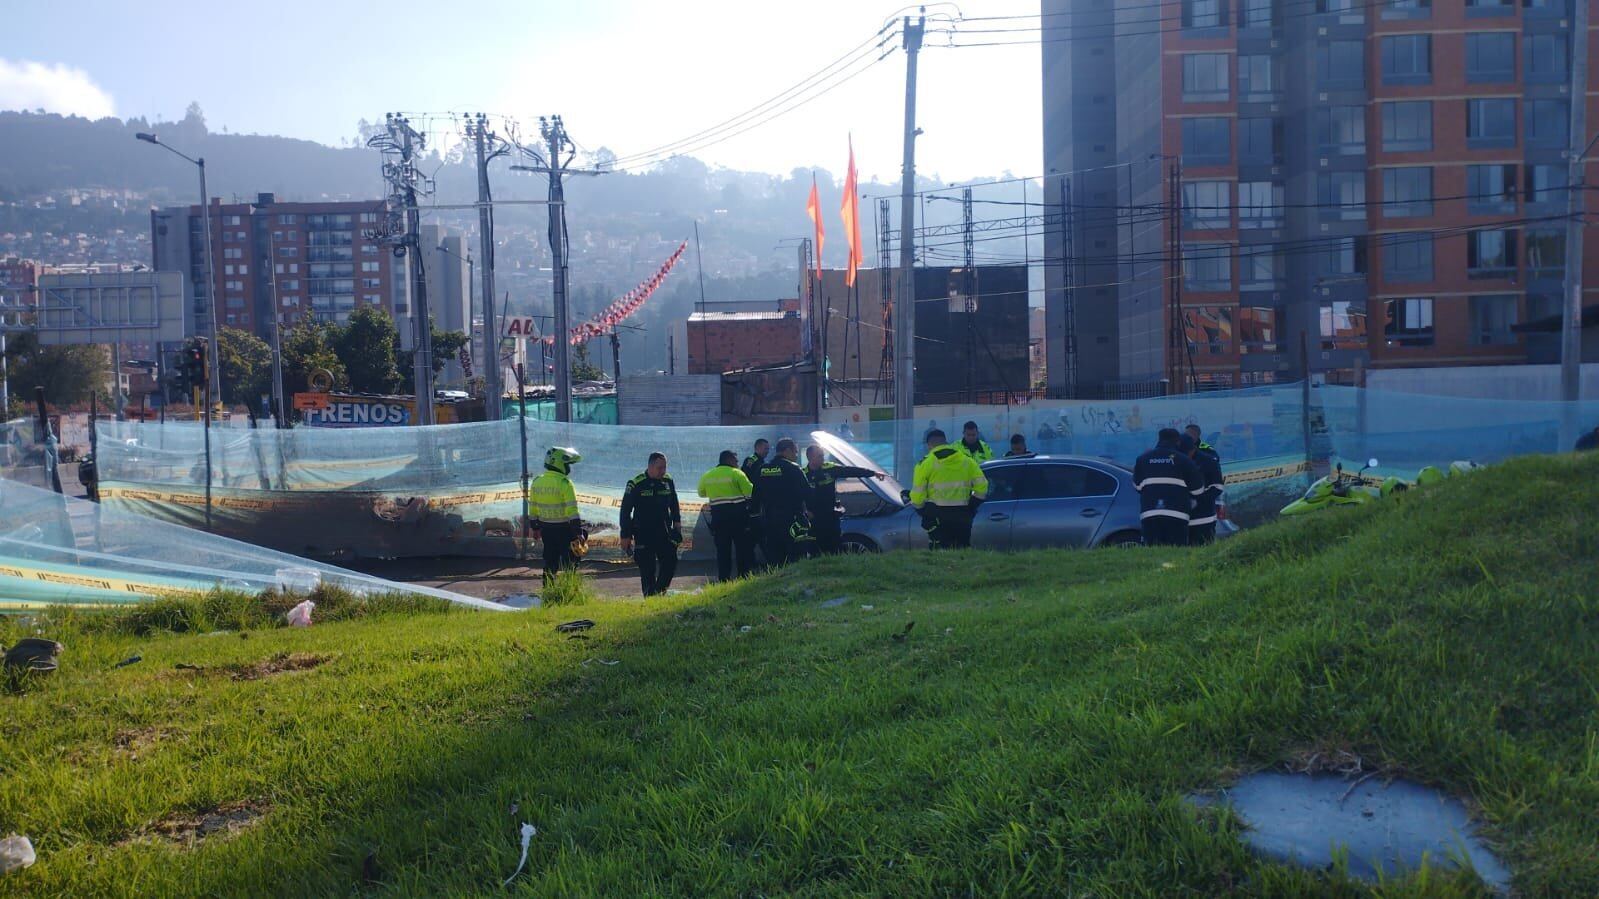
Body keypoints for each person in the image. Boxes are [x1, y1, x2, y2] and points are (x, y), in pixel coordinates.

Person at [910, 429, 989, 549]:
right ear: (945, 442)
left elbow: (917, 496)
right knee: (962, 551)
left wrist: (922, 511)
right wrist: (972, 505)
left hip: (938, 517)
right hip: (963, 515)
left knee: (940, 554)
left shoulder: (925, 464)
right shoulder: (967, 460)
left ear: (928, 445)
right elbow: (982, 486)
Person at [620, 452, 682, 597]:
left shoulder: (668, 480)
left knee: (670, 561)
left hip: (664, 532)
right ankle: (650, 598)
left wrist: (677, 524)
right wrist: (625, 535)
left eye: (665, 467)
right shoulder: (636, 483)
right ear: (650, 466)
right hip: (643, 533)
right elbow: (625, 511)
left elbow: (674, 503)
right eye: (660, 468)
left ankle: (658, 592)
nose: (663, 471)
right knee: (647, 569)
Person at [803, 444, 883, 555]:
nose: (823, 458)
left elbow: (850, 471)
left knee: (834, 547)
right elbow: (796, 496)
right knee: (814, 550)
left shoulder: (830, 468)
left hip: (830, 516)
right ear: (810, 457)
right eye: (820, 456)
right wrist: (805, 511)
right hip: (813, 519)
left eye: (823, 455)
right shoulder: (802, 474)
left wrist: (873, 473)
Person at [1132, 428, 1203, 547]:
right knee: (1176, 555)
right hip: (1177, 515)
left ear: (1159, 439)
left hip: (1150, 514)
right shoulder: (1184, 460)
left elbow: (1137, 486)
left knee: (1152, 553)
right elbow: (1198, 490)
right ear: (1178, 442)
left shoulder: (1142, 459)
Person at [751, 437, 812, 567]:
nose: (796, 455)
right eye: (795, 452)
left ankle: (778, 585)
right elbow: (808, 493)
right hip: (792, 522)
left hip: (769, 522)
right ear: (787, 451)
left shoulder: (762, 469)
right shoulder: (793, 468)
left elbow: (755, 497)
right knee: (796, 559)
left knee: (775, 561)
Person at [696, 450, 756, 581]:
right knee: (742, 549)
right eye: (736, 460)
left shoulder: (708, 475)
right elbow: (750, 492)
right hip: (738, 518)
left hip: (719, 519)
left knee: (723, 551)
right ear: (729, 460)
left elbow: (701, 493)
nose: (737, 463)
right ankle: (743, 577)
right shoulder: (737, 473)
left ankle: (724, 579)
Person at [528, 446, 583, 585]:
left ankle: (548, 590)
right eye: (567, 464)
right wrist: (579, 533)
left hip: (546, 530)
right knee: (570, 563)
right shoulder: (565, 483)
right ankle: (569, 591)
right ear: (559, 463)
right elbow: (572, 511)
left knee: (550, 562)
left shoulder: (537, 482)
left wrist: (535, 528)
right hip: (565, 530)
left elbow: (532, 508)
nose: (569, 468)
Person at [1181, 434, 1224, 544]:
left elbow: (1218, 487)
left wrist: (1199, 500)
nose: (1186, 455)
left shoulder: (1208, 461)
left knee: (1205, 550)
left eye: (1187, 452)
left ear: (1193, 449)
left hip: (1205, 518)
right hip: (1182, 520)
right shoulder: (1178, 460)